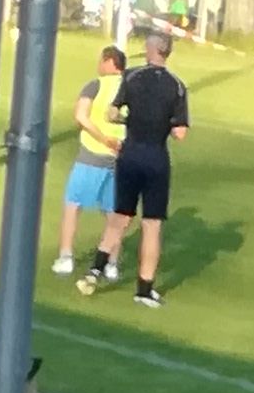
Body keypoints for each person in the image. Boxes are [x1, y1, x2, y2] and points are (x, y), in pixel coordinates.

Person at [79, 21, 188, 309]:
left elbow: (111, 113)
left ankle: (95, 269)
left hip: (130, 155)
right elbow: (180, 133)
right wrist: (162, 124)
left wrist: (130, 119)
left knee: (121, 217)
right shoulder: (177, 86)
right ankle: (144, 289)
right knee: (152, 225)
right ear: (167, 53)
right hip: (156, 159)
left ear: (150, 50)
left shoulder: (132, 77)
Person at [56, 43, 129, 278]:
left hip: (92, 155)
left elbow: (81, 116)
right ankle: (112, 264)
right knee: (114, 213)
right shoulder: (131, 88)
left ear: (109, 62)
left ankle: (66, 257)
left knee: (73, 205)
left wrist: (103, 139)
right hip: (120, 160)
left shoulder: (96, 85)